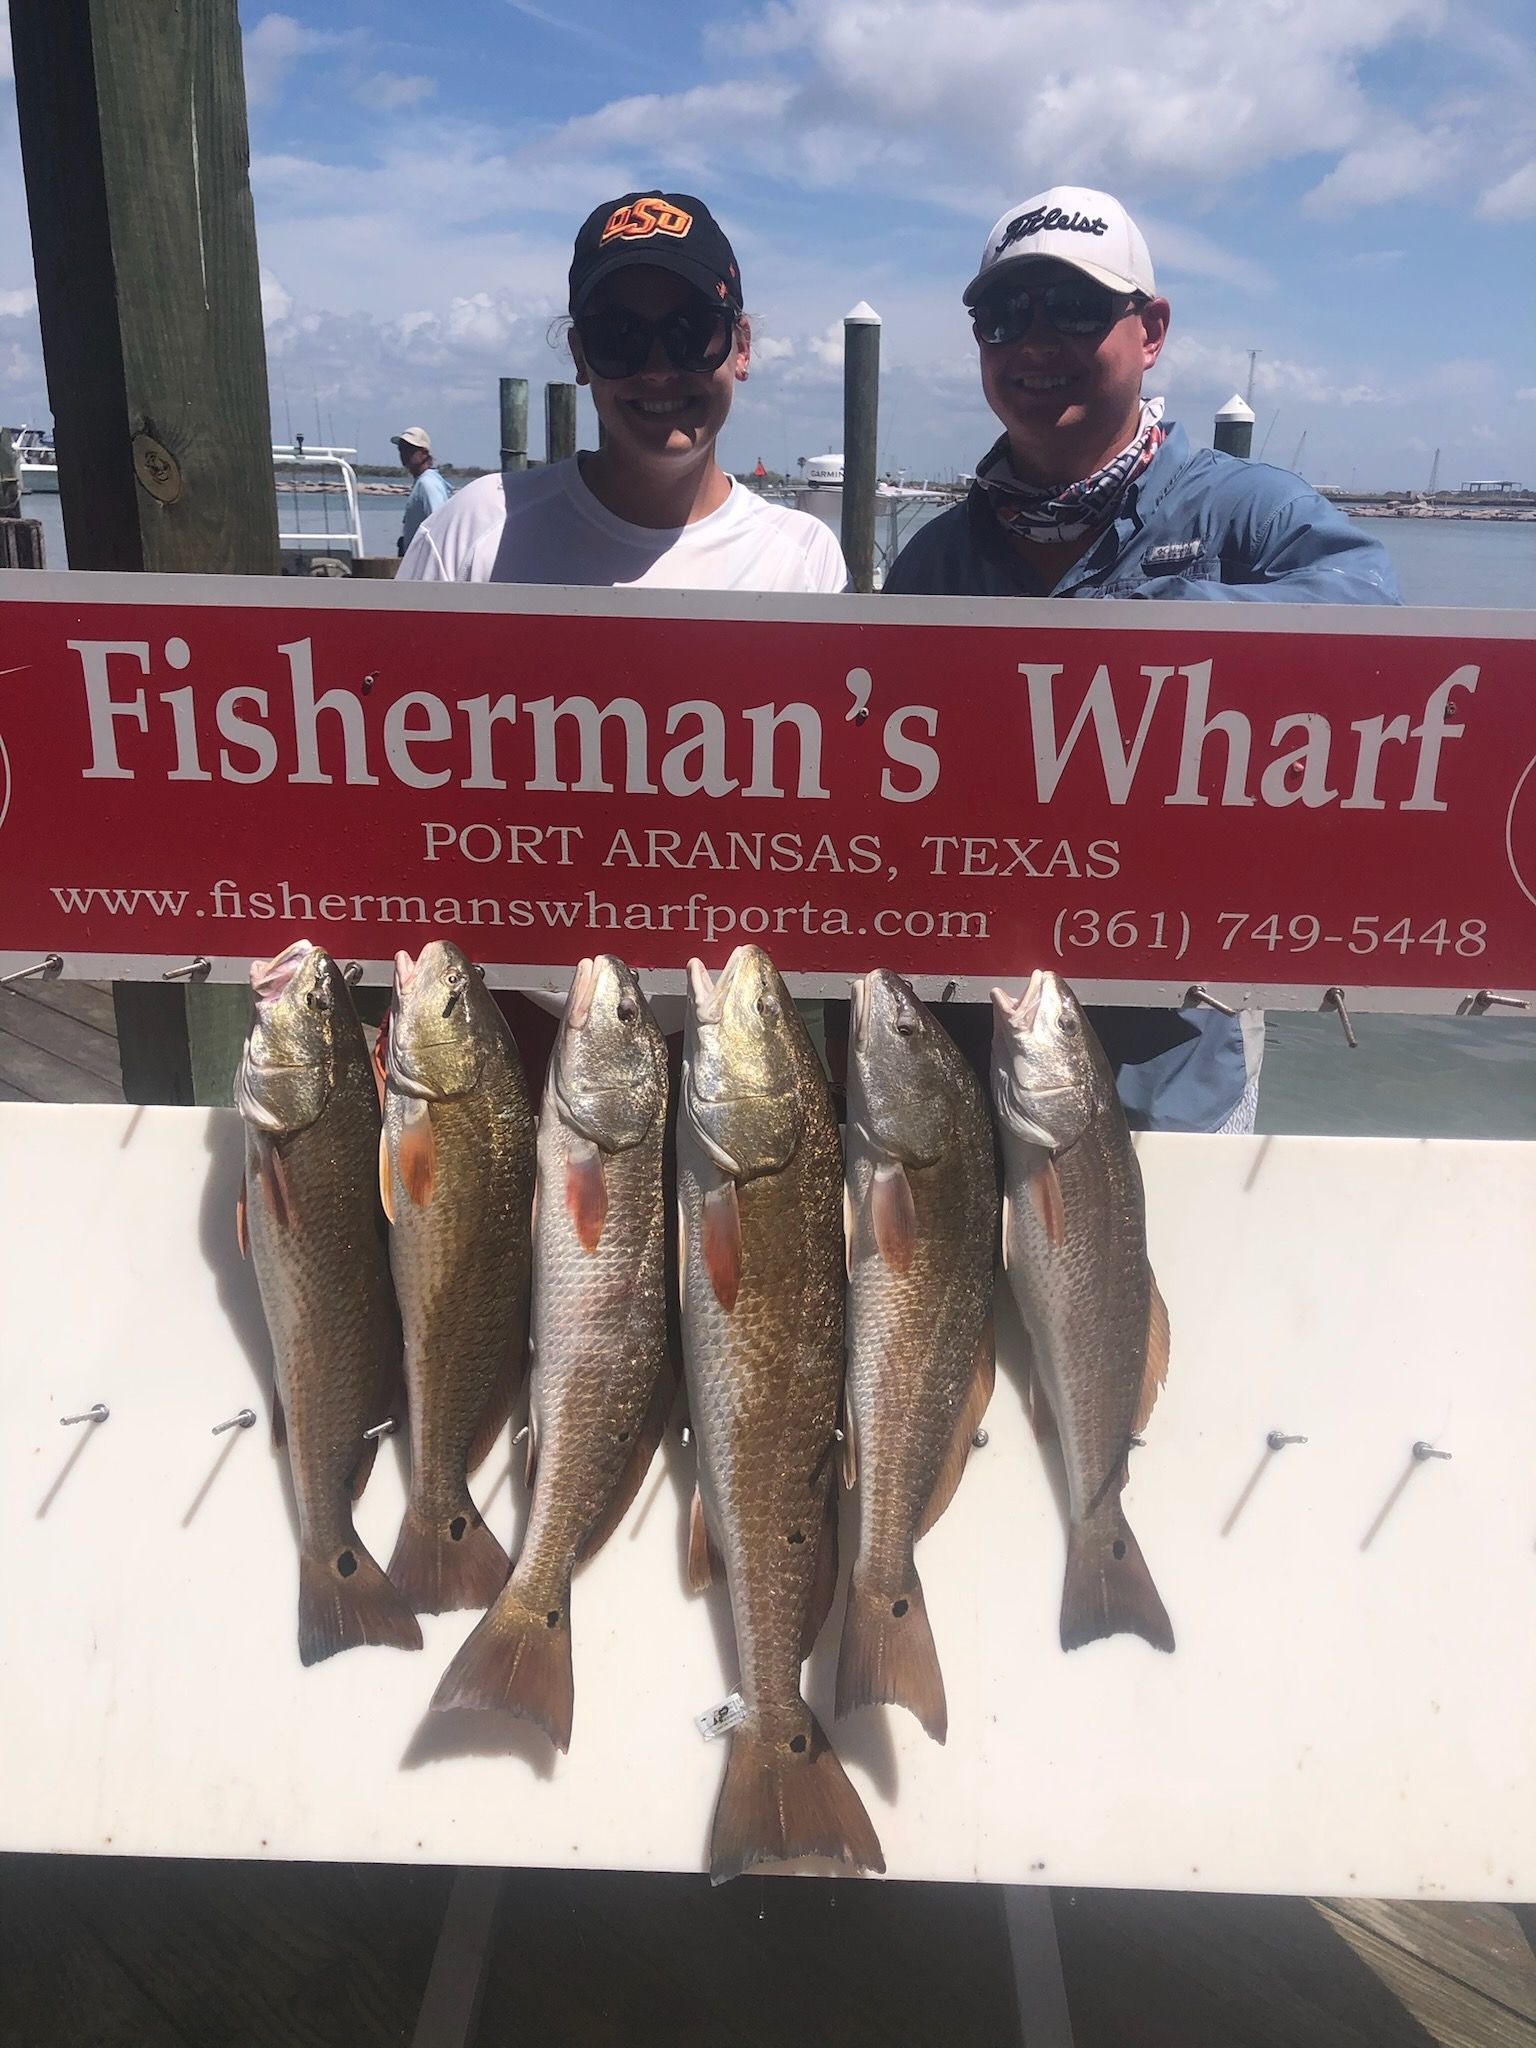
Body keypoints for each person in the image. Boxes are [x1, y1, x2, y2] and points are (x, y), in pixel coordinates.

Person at [885, 187, 1401, 1131]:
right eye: (1004, 316)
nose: (1036, 343)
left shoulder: (1250, 512)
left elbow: (1377, 628)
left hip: (1173, 1084)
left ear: (1151, 328)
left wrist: (1141, 635)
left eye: (1076, 308)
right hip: (966, 1080)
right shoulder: (934, 558)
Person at [397, 190, 847, 593]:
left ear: (741, 347)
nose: (656, 369)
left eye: (689, 332)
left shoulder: (806, 563)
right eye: (618, 335)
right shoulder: (470, 534)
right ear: (580, 355)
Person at [392, 428, 453, 556]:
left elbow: (438, 529)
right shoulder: (422, 482)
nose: (404, 453)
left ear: (424, 453)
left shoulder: (427, 484)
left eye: (410, 449)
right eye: (401, 449)